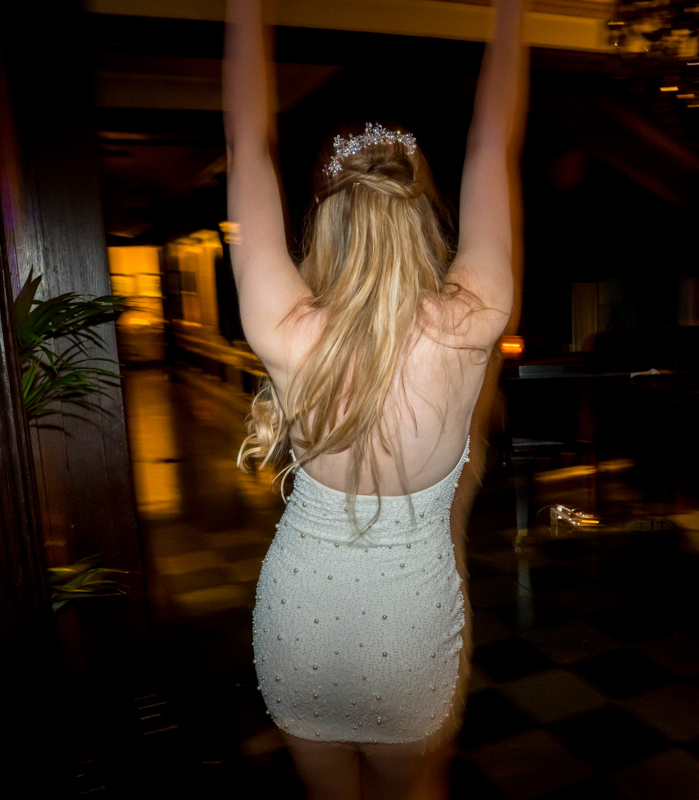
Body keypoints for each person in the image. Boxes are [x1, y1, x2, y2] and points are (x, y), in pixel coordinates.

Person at [223, 0, 527, 796]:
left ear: (326, 219)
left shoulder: (285, 326)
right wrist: (511, 12)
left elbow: (246, 144)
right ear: (424, 213)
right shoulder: (474, 318)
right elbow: (492, 142)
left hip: (301, 623)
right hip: (411, 628)